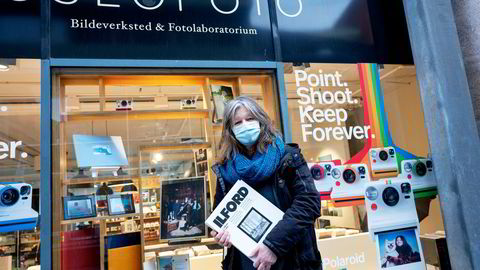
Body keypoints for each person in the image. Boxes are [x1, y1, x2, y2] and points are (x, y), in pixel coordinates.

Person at [211, 96, 322, 270]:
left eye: (250, 119)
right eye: (237, 123)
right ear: (230, 131)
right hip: (245, 263)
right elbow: (219, 215)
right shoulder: (226, 169)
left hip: (292, 261)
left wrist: (272, 246)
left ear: (261, 121)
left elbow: (309, 203)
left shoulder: (288, 157)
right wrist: (220, 233)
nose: (245, 125)